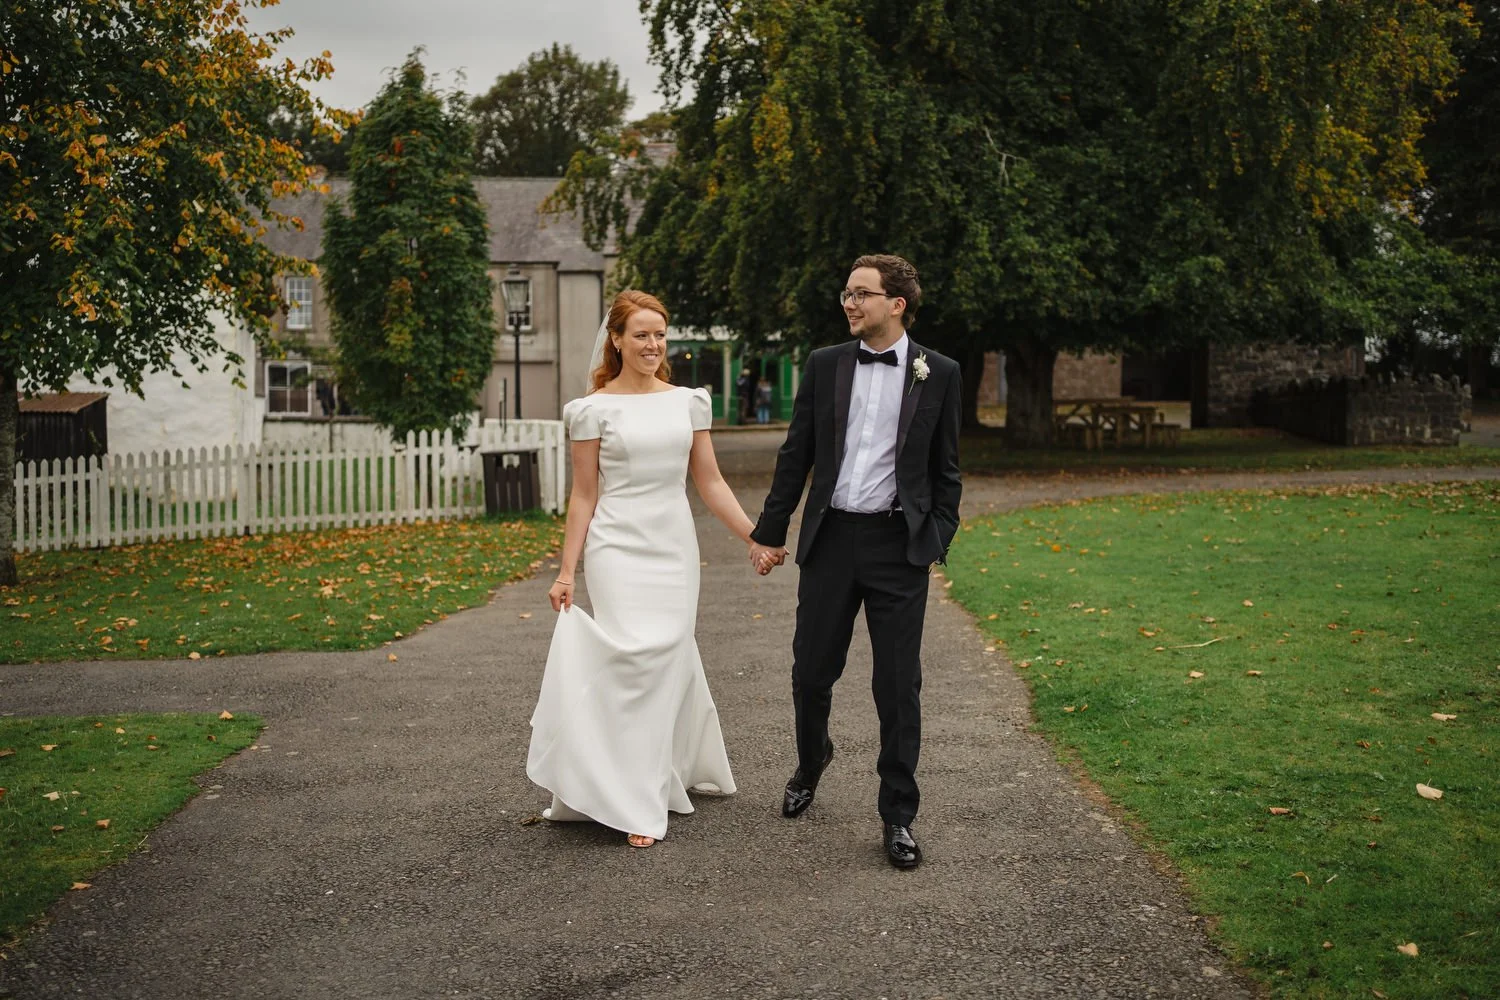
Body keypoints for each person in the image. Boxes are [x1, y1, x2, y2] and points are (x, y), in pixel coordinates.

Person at [748, 254, 962, 869]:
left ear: (896, 304)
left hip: (899, 547)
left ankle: (898, 814)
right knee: (812, 672)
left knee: (898, 686)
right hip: (832, 541)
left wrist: (936, 536)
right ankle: (812, 761)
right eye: (846, 293)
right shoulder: (825, 365)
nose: (849, 302)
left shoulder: (938, 372)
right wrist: (769, 531)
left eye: (862, 294)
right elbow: (797, 455)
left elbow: (947, 470)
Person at [528, 290, 761, 849]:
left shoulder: (688, 402)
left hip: (672, 548)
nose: (653, 344)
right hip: (615, 547)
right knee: (633, 658)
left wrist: (757, 536)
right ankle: (630, 793)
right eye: (641, 334)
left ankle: (652, 778)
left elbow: (710, 482)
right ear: (616, 339)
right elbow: (583, 496)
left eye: (660, 334)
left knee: (666, 656)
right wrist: (567, 572)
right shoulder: (592, 410)